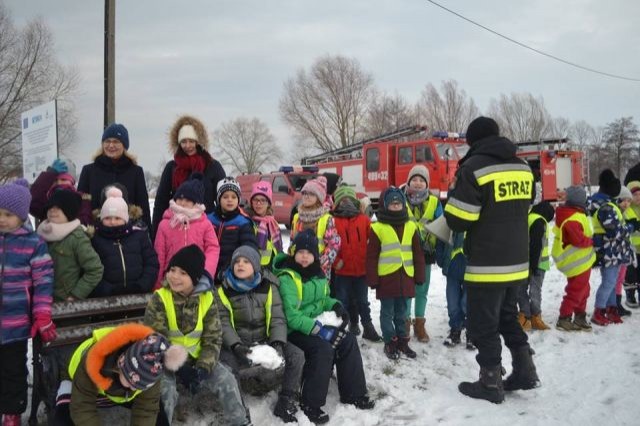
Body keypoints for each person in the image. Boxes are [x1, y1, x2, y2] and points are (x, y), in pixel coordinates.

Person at [444, 117, 539, 404]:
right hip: (517, 262)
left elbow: (460, 219)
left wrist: (452, 198)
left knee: (483, 325)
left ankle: (490, 383)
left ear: (472, 141)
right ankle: (525, 370)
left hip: (486, 263)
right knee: (508, 318)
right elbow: (527, 204)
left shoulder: (473, 168)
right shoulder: (523, 167)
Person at [274, 230, 374, 424]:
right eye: (300, 251)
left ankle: (354, 393)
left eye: (309, 252)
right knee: (323, 349)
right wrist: (319, 330)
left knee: (347, 339)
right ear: (293, 253)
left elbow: (323, 299)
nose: (304, 256)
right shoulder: (288, 277)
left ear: (315, 255)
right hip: (292, 330)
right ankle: (310, 403)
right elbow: (291, 316)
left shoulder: (318, 275)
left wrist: (336, 305)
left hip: (313, 324)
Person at [144, 245, 251, 425]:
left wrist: (203, 366)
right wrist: (179, 366)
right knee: (166, 391)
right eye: (172, 270)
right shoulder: (160, 298)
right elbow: (155, 340)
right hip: (164, 361)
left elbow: (213, 336)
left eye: (183, 273)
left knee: (227, 379)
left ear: (194, 278)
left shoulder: (207, 298)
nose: (174, 276)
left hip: (198, 359)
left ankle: (240, 422)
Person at [216, 246, 304, 423]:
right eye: (237, 262)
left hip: (265, 341)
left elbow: (277, 318)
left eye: (246, 261)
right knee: (227, 366)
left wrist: (277, 342)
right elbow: (223, 323)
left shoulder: (268, 287)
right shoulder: (222, 290)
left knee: (297, 355)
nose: (240, 265)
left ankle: (286, 398)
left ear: (255, 265)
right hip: (238, 344)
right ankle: (239, 412)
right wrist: (236, 346)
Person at [0, 179, 56, 426]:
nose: (2, 219)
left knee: (13, 371)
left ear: (21, 216)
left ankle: (12, 412)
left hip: (15, 324)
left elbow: (43, 283)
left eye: (8, 214)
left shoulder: (33, 244)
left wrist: (42, 315)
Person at [62, 324, 187, 425]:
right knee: (61, 418)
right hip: (78, 384)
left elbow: (146, 410)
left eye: (139, 387)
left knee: (159, 417)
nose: (134, 388)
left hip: (118, 394)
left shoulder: (152, 367)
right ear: (120, 366)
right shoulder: (93, 363)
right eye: (131, 382)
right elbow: (82, 408)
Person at [366, 187, 425, 360]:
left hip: (406, 277)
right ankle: (389, 341)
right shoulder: (378, 228)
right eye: (392, 204)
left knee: (402, 313)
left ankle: (402, 341)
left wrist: (420, 275)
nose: (396, 206)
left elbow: (418, 254)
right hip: (386, 278)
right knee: (387, 312)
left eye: (398, 203)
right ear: (385, 206)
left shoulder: (411, 226)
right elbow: (371, 256)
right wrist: (373, 279)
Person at [152, 115, 226, 241]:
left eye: (191, 141)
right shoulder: (172, 168)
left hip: (206, 229)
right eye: (184, 141)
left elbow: (223, 199)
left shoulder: (212, 166)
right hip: (177, 229)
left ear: (198, 142)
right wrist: (155, 234)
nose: (188, 146)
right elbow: (161, 202)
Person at [78, 123, 151, 232]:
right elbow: (81, 206)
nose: (111, 145)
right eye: (107, 141)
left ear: (124, 145)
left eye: (116, 142)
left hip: (128, 234)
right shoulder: (89, 171)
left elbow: (143, 207)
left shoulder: (136, 172)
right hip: (96, 234)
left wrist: (147, 234)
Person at [331, 185, 381, 342]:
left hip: (361, 271)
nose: (346, 202)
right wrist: (336, 262)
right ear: (337, 203)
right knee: (342, 301)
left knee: (363, 302)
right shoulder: (333, 221)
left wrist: (370, 262)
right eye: (342, 199)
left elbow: (373, 242)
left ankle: (367, 327)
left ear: (355, 200)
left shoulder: (364, 220)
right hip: (342, 272)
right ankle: (342, 329)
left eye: (349, 198)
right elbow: (329, 245)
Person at [154, 173, 220, 290]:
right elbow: (159, 254)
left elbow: (213, 248)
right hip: (171, 280)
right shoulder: (165, 224)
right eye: (180, 198)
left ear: (196, 203)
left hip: (197, 279)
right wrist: (158, 283)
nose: (183, 203)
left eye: (188, 200)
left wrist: (206, 273)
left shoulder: (205, 224)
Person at [36, 189, 104, 302]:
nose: (52, 210)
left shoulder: (77, 238)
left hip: (65, 305)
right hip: (41, 302)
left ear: (69, 211)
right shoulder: (39, 234)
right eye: (50, 206)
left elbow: (95, 270)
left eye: (58, 207)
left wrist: (75, 295)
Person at [403, 165, 442, 343]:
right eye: (414, 179)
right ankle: (405, 322)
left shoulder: (434, 201)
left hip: (426, 253)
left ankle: (419, 323)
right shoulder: (400, 199)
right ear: (409, 181)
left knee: (422, 290)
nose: (418, 183)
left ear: (426, 183)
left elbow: (441, 226)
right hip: (405, 252)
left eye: (421, 180)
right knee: (406, 289)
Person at [90, 196, 159, 297]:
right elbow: (89, 270)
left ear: (125, 219)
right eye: (107, 218)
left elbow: (151, 263)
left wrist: (143, 285)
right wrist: (108, 290)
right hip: (106, 299)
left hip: (140, 296)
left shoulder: (139, 236)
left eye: (117, 218)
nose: (112, 222)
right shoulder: (95, 240)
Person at [552, 186, 596, 331]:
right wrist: (593, 241)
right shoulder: (573, 218)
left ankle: (579, 316)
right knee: (576, 290)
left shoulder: (574, 214)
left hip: (580, 262)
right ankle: (564, 318)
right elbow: (578, 240)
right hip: (577, 262)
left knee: (584, 289)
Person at [589, 169, 627, 326]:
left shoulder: (608, 203)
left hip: (614, 250)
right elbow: (613, 229)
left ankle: (611, 308)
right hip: (608, 249)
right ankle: (599, 310)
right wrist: (629, 228)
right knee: (609, 281)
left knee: (612, 280)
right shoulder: (605, 206)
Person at [207, 177, 257, 281]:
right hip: (208, 269)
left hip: (231, 272)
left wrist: (231, 269)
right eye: (225, 197)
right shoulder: (208, 220)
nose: (230, 200)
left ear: (238, 200)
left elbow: (249, 247)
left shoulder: (243, 222)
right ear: (219, 199)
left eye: (234, 197)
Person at [290, 176, 341, 278]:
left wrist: (319, 263)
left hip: (319, 272)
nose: (306, 196)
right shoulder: (297, 217)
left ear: (319, 198)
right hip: (298, 269)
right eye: (304, 193)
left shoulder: (327, 219)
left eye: (311, 194)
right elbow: (292, 243)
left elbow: (333, 245)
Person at [518, 201, 555, 331]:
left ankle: (525, 315)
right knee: (535, 291)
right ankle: (535, 316)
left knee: (520, 288)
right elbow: (536, 246)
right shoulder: (539, 222)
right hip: (538, 264)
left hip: (526, 262)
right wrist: (533, 266)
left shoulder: (528, 218)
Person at [436, 231, 472, 349]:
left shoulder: (479, 216)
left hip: (472, 267)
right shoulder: (449, 216)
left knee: (468, 302)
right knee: (453, 303)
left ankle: (471, 332)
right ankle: (455, 330)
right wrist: (441, 258)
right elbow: (441, 237)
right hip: (452, 266)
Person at [30, 157, 93, 226]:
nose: (59, 183)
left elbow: (85, 222)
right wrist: (49, 174)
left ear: (72, 181)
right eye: (55, 180)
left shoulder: (81, 199)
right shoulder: (48, 198)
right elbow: (33, 205)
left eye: (63, 180)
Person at [244, 181, 283, 268]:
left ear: (268, 203)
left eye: (263, 200)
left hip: (272, 267)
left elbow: (279, 248)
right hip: (254, 267)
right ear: (251, 202)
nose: (258, 204)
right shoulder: (247, 221)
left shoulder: (273, 223)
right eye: (256, 200)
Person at [615, 186, 635, 317]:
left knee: (621, 278)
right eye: (624, 200)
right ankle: (614, 304)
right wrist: (630, 227)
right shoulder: (616, 213)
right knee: (616, 279)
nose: (626, 203)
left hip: (624, 252)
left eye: (629, 201)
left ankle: (617, 303)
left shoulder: (624, 213)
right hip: (616, 253)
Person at [623, 181, 640, 308]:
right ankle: (630, 294)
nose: (638, 197)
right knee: (631, 274)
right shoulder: (626, 210)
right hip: (631, 248)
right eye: (635, 195)